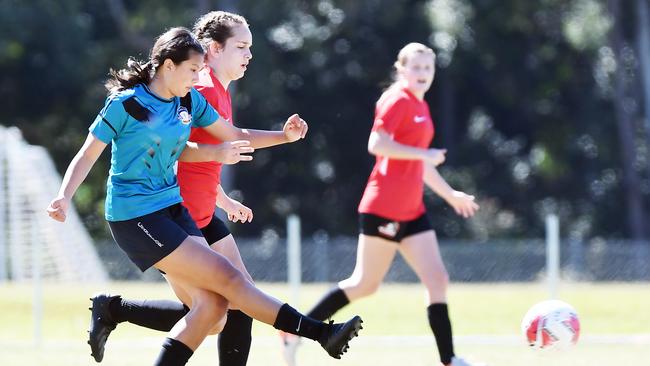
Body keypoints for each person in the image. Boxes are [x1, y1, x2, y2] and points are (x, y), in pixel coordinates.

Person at [47, 27, 362, 366]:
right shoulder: (127, 104)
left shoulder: (188, 100)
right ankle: (320, 333)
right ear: (168, 66)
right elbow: (88, 154)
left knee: (213, 311)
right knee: (230, 281)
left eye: (200, 70)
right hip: (134, 216)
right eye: (192, 70)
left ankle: (113, 309)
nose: (198, 77)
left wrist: (283, 137)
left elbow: (227, 138)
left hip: (172, 209)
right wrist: (65, 196)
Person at [85, 12, 304, 366]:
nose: (249, 55)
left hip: (202, 211)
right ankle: (114, 309)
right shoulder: (198, 89)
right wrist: (283, 137)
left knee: (226, 307)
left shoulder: (215, 90)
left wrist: (221, 197)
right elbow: (173, 151)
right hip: (177, 216)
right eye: (241, 46)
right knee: (222, 307)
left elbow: (193, 153)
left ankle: (113, 309)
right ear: (214, 49)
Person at [281, 43, 481, 366]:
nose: (422, 74)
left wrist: (450, 195)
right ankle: (294, 331)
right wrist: (422, 155)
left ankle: (449, 359)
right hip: (383, 207)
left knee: (437, 279)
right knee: (364, 284)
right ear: (401, 70)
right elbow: (377, 144)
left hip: (412, 210)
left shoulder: (421, 105)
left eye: (427, 68)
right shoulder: (396, 100)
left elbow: (421, 164)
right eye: (415, 68)